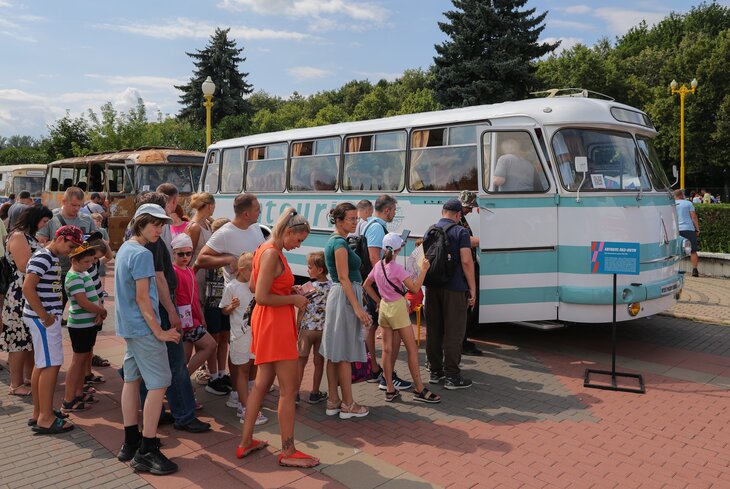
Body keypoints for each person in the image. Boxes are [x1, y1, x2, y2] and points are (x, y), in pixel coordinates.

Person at [236, 208, 320, 468]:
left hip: (268, 322)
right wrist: (294, 298)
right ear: (289, 232)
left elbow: (254, 287)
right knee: (288, 389)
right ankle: (288, 450)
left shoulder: (266, 249)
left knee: (261, 385)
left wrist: (287, 289)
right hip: (275, 324)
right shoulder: (273, 253)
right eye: (299, 240)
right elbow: (260, 296)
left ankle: (246, 441)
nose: (299, 245)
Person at [135, 191, 210, 434]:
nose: (170, 210)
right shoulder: (153, 240)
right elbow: (158, 278)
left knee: (150, 365)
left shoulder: (140, 237)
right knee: (176, 363)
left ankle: (155, 411)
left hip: (153, 310)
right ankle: (184, 414)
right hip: (161, 309)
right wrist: (171, 311)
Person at [115, 204, 180, 475]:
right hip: (144, 329)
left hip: (130, 328)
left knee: (131, 379)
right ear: (141, 223)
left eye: (162, 225)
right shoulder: (141, 254)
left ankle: (131, 442)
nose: (159, 230)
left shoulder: (125, 249)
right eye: (154, 224)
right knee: (160, 383)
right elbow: (143, 298)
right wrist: (159, 332)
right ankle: (147, 450)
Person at [196, 194, 266, 399]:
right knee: (239, 350)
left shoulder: (255, 228)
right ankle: (237, 394)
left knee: (254, 347)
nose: (259, 212)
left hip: (256, 296)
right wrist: (227, 258)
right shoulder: (226, 233)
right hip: (237, 301)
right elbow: (201, 258)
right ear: (245, 213)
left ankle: (250, 387)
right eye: (256, 209)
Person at [363, 233, 440, 404]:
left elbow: (366, 285)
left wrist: (378, 301)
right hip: (397, 308)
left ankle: (389, 388)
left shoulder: (378, 266)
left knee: (386, 350)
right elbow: (414, 288)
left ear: (384, 248)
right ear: (399, 249)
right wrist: (424, 270)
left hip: (384, 308)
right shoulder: (397, 268)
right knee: (412, 349)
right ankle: (419, 389)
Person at [23, 225, 81, 434]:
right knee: (51, 364)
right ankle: (45, 417)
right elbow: (28, 287)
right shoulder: (44, 256)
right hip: (43, 320)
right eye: (70, 245)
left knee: (43, 364)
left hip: (43, 318)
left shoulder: (49, 256)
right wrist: (45, 316)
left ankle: (41, 412)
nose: (71, 250)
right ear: (60, 238)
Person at [321, 202, 371, 419]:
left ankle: (333, 400)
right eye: (351, 219)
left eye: (355, 218)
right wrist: (358, 308)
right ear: (339, 221)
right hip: (345, 297)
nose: (355, 222)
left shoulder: (335, 241)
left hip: (340, 296)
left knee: (334, 353)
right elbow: (343, 277)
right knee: (343, 355)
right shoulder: (340, 243)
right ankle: (348, 404)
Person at [1, 205, 53, 398]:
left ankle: (28, 377)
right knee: (19, 341)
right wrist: (46, 250)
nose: (44, 225)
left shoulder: (27, 237)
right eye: (44, 221)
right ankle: (15, 384)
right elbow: (24, 265)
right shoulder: (18, 236)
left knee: (28, 340)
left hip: (26, 293)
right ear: (35, 219)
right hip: (19, 295)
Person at [425, 199, 476, 390]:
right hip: (454, 288)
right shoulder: (460, 231)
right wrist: (472, 288)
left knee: (434, 330)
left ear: (442, 211)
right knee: (454, 332)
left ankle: (435, 372)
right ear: (458, 215)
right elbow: (467, 261)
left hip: (431, 287)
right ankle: (452, 376)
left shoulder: (430, 230)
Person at [365, 195, 412, 391]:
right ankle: (384, 375)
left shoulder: (369, 224)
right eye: (394, 210)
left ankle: (377, 371)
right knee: (388, 338)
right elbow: (375, 259)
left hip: (378, 288)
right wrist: (386, 289)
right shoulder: (377, 227)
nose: (394, 213)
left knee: (375, 328)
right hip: (380, 290)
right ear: (387, 210)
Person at [219, 252, 267, 426]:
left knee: (254, 365)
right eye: (252, 270)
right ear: (242, 270)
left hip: (255, 333)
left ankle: (249, 399)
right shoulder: (232, 287)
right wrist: (230, 307)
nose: (256, 273)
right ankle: (244, 407)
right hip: (239, 336)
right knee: (242, 370)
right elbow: (223, 309)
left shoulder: (255, 285)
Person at [36, 187, 98, 315]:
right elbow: (41, 242)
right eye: (73, 205)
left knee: (86, 307)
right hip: (58, 271)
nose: (76, 209)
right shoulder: (51, 219)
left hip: (82, 271)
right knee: (56, 310)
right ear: (64, 201)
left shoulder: (87, 219)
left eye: (79, 206)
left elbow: (93, 242)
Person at [62, 241, 107, 413]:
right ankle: (68, 399)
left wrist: (98, 311)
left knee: (84, 358)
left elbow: (91, 296)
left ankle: (78, 392)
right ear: (74, 260)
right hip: (80, 325)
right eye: (86, 261)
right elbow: (82, 301)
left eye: (91, 260)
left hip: (88, 323)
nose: (90, 264)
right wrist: (101, 310)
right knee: (77, 361)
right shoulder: (74, 277)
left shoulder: (83, 273)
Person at [171, 233, 216, 376]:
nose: (185, 257)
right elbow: (170, 298)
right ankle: (182, 380)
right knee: (210, 345)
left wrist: (201, 317)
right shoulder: (173, 271)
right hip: (183, 321)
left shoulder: (190, 271)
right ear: (174, 253)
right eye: (181, 254)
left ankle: (181, 382)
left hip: (192, 319)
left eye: (188, 253)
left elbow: (195, 298)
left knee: (185, 357)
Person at [295, 251, 331, 405]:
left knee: (301, 362)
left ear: (320, 269)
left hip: (307, 329)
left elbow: (302, 309)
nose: (307, 270)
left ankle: (295, 394)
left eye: (310, 267)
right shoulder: (332, 287)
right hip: (322, 330)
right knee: (319, 362)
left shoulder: (307, 287)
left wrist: (297, 326)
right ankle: (315, 393)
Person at [458, 190, 482, 356]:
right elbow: (466, 242)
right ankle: (461, 343)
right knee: (463, 309)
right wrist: (485, 239)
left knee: (464, 310)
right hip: (463, 272)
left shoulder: (460, 219)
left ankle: (462, 340)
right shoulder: (458, 223)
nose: (471, 210)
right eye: (470, 207)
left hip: (464, 270)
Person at [675, 189, 701, 277]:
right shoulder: (688, 203)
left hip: (675, 230)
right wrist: (697, 229)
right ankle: (694, 270)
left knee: (675, 251)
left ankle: (675, 270)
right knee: (693, 250)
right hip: (688, 229)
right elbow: (693, 216)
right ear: (682, 195)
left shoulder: (671, 204)